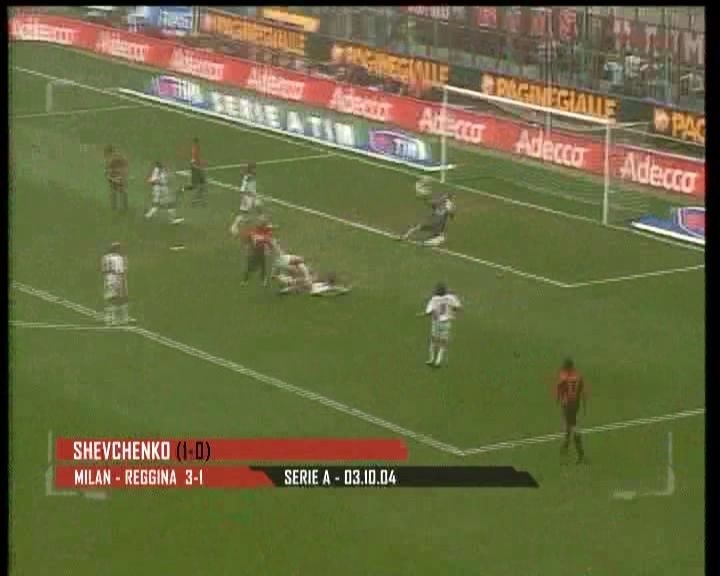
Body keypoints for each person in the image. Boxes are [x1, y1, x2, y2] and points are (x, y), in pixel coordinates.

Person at [401, 178, 455, 247]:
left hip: (434, 219)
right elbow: (451, 215)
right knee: (440, 235)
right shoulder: (450, 204)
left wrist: (424, 199)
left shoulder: (442, 201)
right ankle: (425, 243)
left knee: (417, 226)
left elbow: (433, 205)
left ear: (446, 197)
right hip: (439, 222)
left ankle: (405, 236)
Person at [419, 282, 461, 367]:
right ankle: (438, 361)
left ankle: (431, 359)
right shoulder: (450, 298)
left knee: (433, 341)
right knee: (443, 342)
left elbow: (429, 312)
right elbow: (458, 307)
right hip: (446, 323)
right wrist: (452, 309)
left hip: (436, 322)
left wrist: (422, 314)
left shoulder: (434, 299)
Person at [556, 358, 587, 464]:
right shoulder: (578, 376)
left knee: (573, 426)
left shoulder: (564, 377)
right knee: (569, 423)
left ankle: (580, 453)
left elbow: (560, 389)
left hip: (568, 405)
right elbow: (582, 392)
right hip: (575, 405)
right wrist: (584, 405)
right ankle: (566, 443)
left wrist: (559, 400)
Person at [230, 162, 263, 235]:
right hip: (247, 197)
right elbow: (242, 190)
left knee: (259, 206)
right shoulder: (247, 178)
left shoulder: (251, 176)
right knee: (243, 214)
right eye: (254, 168)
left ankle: (261, 222)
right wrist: (244, 199)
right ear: (251, 169)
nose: (255, 170)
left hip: (253, 196)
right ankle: (234, 226)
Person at [101, 241, 129, 326]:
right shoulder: (120, 258)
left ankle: (109, 319)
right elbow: (122, 270)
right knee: (120, 300)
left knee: (110, 299)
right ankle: (121, 319)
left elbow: (103, 269)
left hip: (108, 278)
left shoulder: (105, 257)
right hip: (118, 278)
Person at [104, 145, 128, 213]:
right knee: (114, 193)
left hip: (118, 177)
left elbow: (124, 166)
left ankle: (124, 209)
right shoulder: (109, 160)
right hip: (114, 178)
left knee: (122, 192)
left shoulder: (116, 158)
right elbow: (107, 172)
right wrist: (112, 178)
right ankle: (115, 209)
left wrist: (121, 176)